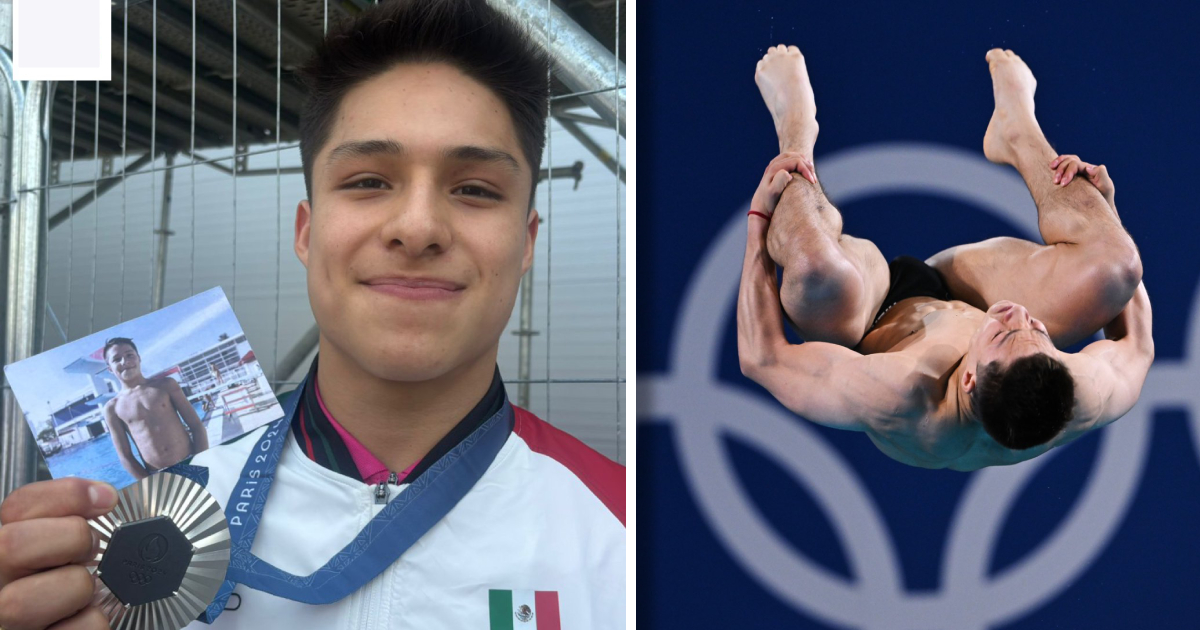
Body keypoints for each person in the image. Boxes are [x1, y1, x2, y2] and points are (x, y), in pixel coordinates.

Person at [0, 1, 625, 629]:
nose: (418, 228)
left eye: (475, 190)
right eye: (368, 182)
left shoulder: (627, 535)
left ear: (527, 240)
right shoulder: (122, 542)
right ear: (306, 232)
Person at [737, 45, 1153, 470]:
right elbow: (1137, 348)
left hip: (868, 315)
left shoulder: (898, 396)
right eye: (1041, 334)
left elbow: (762, 357)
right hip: (970, 288)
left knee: (813, 267)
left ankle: (795, 131)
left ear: (969, 380)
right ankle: (1018, 132)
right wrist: (1106, 211)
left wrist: (758, 225)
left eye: (1006, 335)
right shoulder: (1080, 395)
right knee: (1118, 266)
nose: (1019, 315)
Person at [100, 337, 210, 480]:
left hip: (191, 462)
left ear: (139, 358)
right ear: (109, 368)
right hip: (158, 476)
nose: (124, 362)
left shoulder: (166, 385)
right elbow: (125, 457)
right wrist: (152, 484)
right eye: (116, 359)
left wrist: (200, 463)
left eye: (129, 355)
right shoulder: (112, 408)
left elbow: (196, 426)